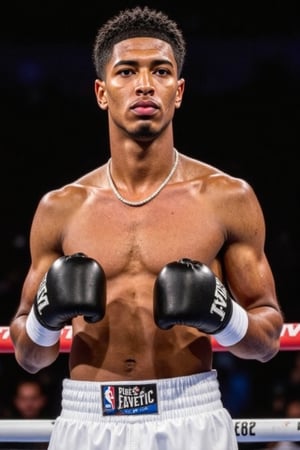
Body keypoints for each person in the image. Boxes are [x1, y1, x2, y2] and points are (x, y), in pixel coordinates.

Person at [9, 5, 284, 450]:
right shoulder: (61, 208)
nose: (144, 85)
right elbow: (29, 356)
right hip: (88, 419)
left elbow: (267, 339)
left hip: (190, 416)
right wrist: (43, 317)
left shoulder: (227, 199)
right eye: (126, 72)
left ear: (179, 91)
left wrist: (224, 316)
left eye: (160, 71)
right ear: (102, 92)